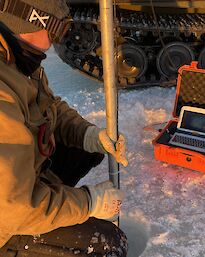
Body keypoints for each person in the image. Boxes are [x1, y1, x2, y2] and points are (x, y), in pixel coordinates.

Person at [0, 0, 128, 256]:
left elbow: (50, 107)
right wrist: (88, 202)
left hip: (20, 183)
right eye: (56, 30)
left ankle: (50, 203)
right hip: (7, 218)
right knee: (107, 244)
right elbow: (11, 208)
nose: (54, 42)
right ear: (31, 22)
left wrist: (89, 135)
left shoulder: (18, 60)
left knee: (85, 148)